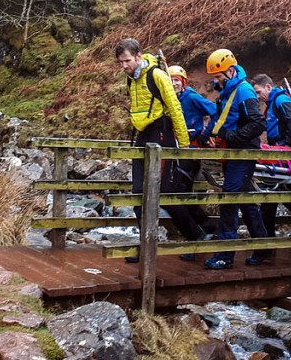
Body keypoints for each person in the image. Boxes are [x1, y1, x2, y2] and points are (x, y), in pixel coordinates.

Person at [115, 39, 192, 263]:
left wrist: (184, 145)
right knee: (138, 192)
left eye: (127, 61)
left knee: (165, 191)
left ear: (139, 56)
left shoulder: (156, 75)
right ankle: (145, 244)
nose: (124, 66)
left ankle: (195, 235)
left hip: (161, 132)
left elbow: (174, 106)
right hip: (143, 134)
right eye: (121, 62)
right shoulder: (131, 79)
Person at [203, 48, 270, 269]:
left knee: (230, 199)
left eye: (219, 76)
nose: (216, 80)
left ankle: (225, 254)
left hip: (243, 152)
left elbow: (258, 123)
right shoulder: (228, 90)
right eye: (214, 77)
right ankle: (263, 247)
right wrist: (206, 136)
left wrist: (233, 136)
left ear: (230, 70)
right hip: (233, 152)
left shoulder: (244, 92)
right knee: (245, 200)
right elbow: (220, 118)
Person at [168, 64, 216, 258]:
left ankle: (198, 235)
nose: (174, 84)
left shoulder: (192, 97)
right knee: (182, 192)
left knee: (179, 193)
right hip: (176, 151)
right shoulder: (170, 101)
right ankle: (205, 227)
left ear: (183, 82)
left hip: (191, 151)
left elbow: (214, 110)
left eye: (177, 80)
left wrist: (206, 133)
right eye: (170, 80)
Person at [251, 74, 291, 237]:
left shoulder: (280, 100)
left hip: (283, 152)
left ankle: (268, 236)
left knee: (277, 195)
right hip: (277, 149)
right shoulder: (272, 104)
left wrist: (287, 148)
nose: (258, 97)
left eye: (259, 92)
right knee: (283, 195)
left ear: (268, 87)